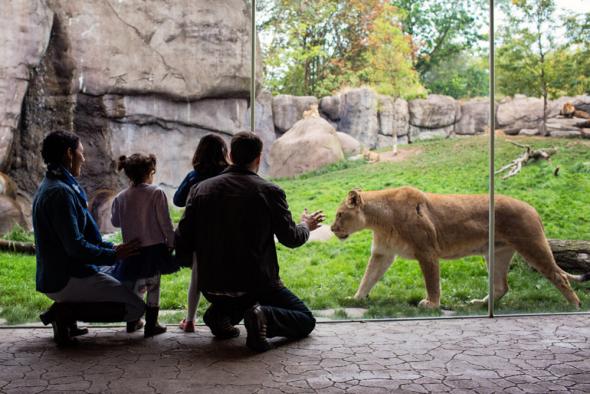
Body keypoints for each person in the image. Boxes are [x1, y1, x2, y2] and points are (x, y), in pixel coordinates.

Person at [176, 131, 325, 352]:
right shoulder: (269, 191)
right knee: (305, 319)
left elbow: (182, 237)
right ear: (258, 157)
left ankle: (218, 315)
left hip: (212, 286)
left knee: (234, 296)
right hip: (256, 285)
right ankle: (263, 317)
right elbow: (291, 239)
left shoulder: (200, 189)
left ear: (232, 156)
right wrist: (306, 225)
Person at [33, 131, 144, 347]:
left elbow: (83, 237)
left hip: (65, 271)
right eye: (81, 152)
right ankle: (65, 313)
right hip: (65, 278)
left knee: (129, 278)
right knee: (136, 309)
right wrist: (113, 255)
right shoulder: (60, 193)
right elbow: (75, 247)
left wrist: (112, 249)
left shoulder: (56, 184)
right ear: (69, 153)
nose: (83, 158)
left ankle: (67, 312)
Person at [111, 153, 177, 337]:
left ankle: (132, 321)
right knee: (153, 286)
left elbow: (115, 222)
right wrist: (171, 243)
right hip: (154, 248)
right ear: (150, 172)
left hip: (132, 248)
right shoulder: (156, 192)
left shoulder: (121, 197)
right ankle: (151, 324)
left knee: (136, 285)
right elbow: (165, 222)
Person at [173, 134, 230, 333]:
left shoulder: (194, 175)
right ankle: (228, 314)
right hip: (226, 229)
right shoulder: (229, 173)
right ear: (224, 152)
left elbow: (178, 200)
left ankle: (189, 320)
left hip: (199, 231)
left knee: (196, 276)